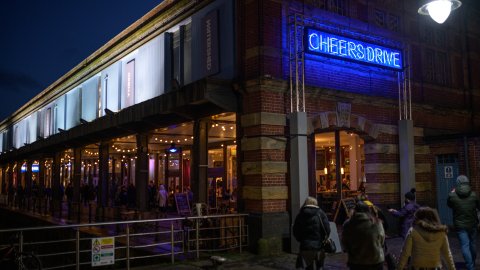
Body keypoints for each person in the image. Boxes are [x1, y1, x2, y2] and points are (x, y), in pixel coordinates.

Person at [447, 175, 480, 270]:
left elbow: (449, 205)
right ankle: (472, 263)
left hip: (460, 225)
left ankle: (470, 266)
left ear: (457, 183)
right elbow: (478, 206)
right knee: (473, 244)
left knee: (465, 245)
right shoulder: (474, 195)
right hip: (472, 223)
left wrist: (452, 193)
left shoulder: (452, 195)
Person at [342, 201, 385, 270]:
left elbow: (345, 243)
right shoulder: (377, 222)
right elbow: (381, 240)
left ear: (355, 211)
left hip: (356, 262)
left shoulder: (347, 224)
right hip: (375, 260)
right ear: (368, 210)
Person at [293, 196, 330, 270]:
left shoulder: (301, 214)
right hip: (319, 245)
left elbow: (295, 230)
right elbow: (327, 229)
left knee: (308, 267)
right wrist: (324, 239)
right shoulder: (321, 213)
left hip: (305, 245)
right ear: (315, 203)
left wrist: (301, 240)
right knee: (320, 266)